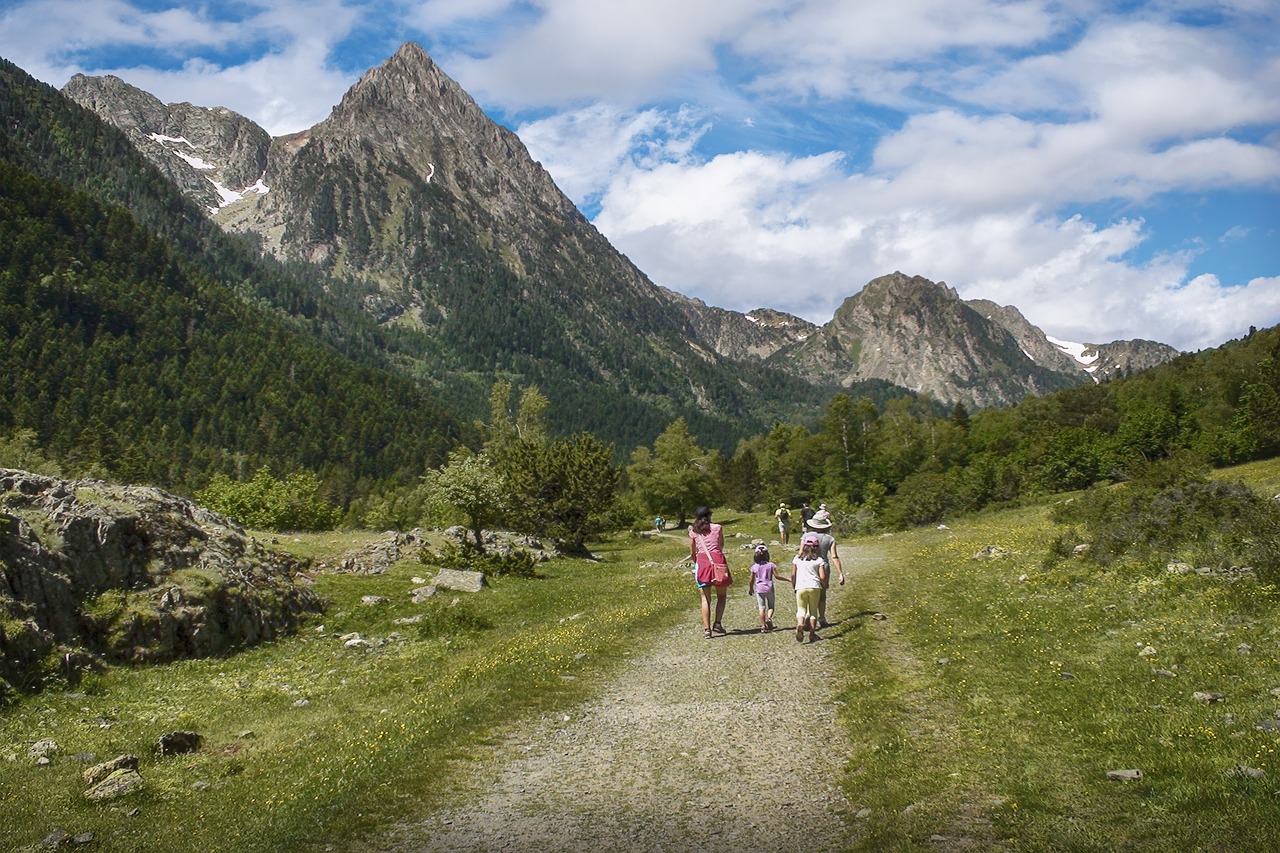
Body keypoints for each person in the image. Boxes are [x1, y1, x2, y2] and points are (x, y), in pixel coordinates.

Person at [688, 506, 728, 639]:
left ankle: (707, 630)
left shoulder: (694, 532)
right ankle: (717, 623)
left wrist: (697, 561)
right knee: (721, 596)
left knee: (705, 598)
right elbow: (721, 545)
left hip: (702, 562)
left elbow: (692, 552)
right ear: (709, 516)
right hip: (717, 561)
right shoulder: (717, 528)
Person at [780, 532, 826, 642]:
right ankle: (812, 634)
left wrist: (794, 585)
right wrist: (823, 585)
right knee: (813, 611)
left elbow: (792, 575)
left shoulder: (797, 559)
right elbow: (823, 576)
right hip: (814, 586)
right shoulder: (819, 560)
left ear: (804, 547)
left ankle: (800, 624)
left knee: (801, 609)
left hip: (800, 586)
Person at [804, 509, 845, 627]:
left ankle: (808, 613)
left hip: (808, 565)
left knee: (809, 590)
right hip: (823, 566)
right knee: (822, 594)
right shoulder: (830, 539)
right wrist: (840, 573)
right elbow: (834, 557)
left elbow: (801, 552)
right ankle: (821, 618)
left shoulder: (806, 536)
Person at [747, 544, 777, 633]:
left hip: (759, 589)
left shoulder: (754, 567)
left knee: (761, 607)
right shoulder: (771, 565)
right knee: (771, 606)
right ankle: (769, 618)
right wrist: (787, 579)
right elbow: (777, 576)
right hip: (769, 588)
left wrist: (750, 588)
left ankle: (763, 626)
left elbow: (751, 580)